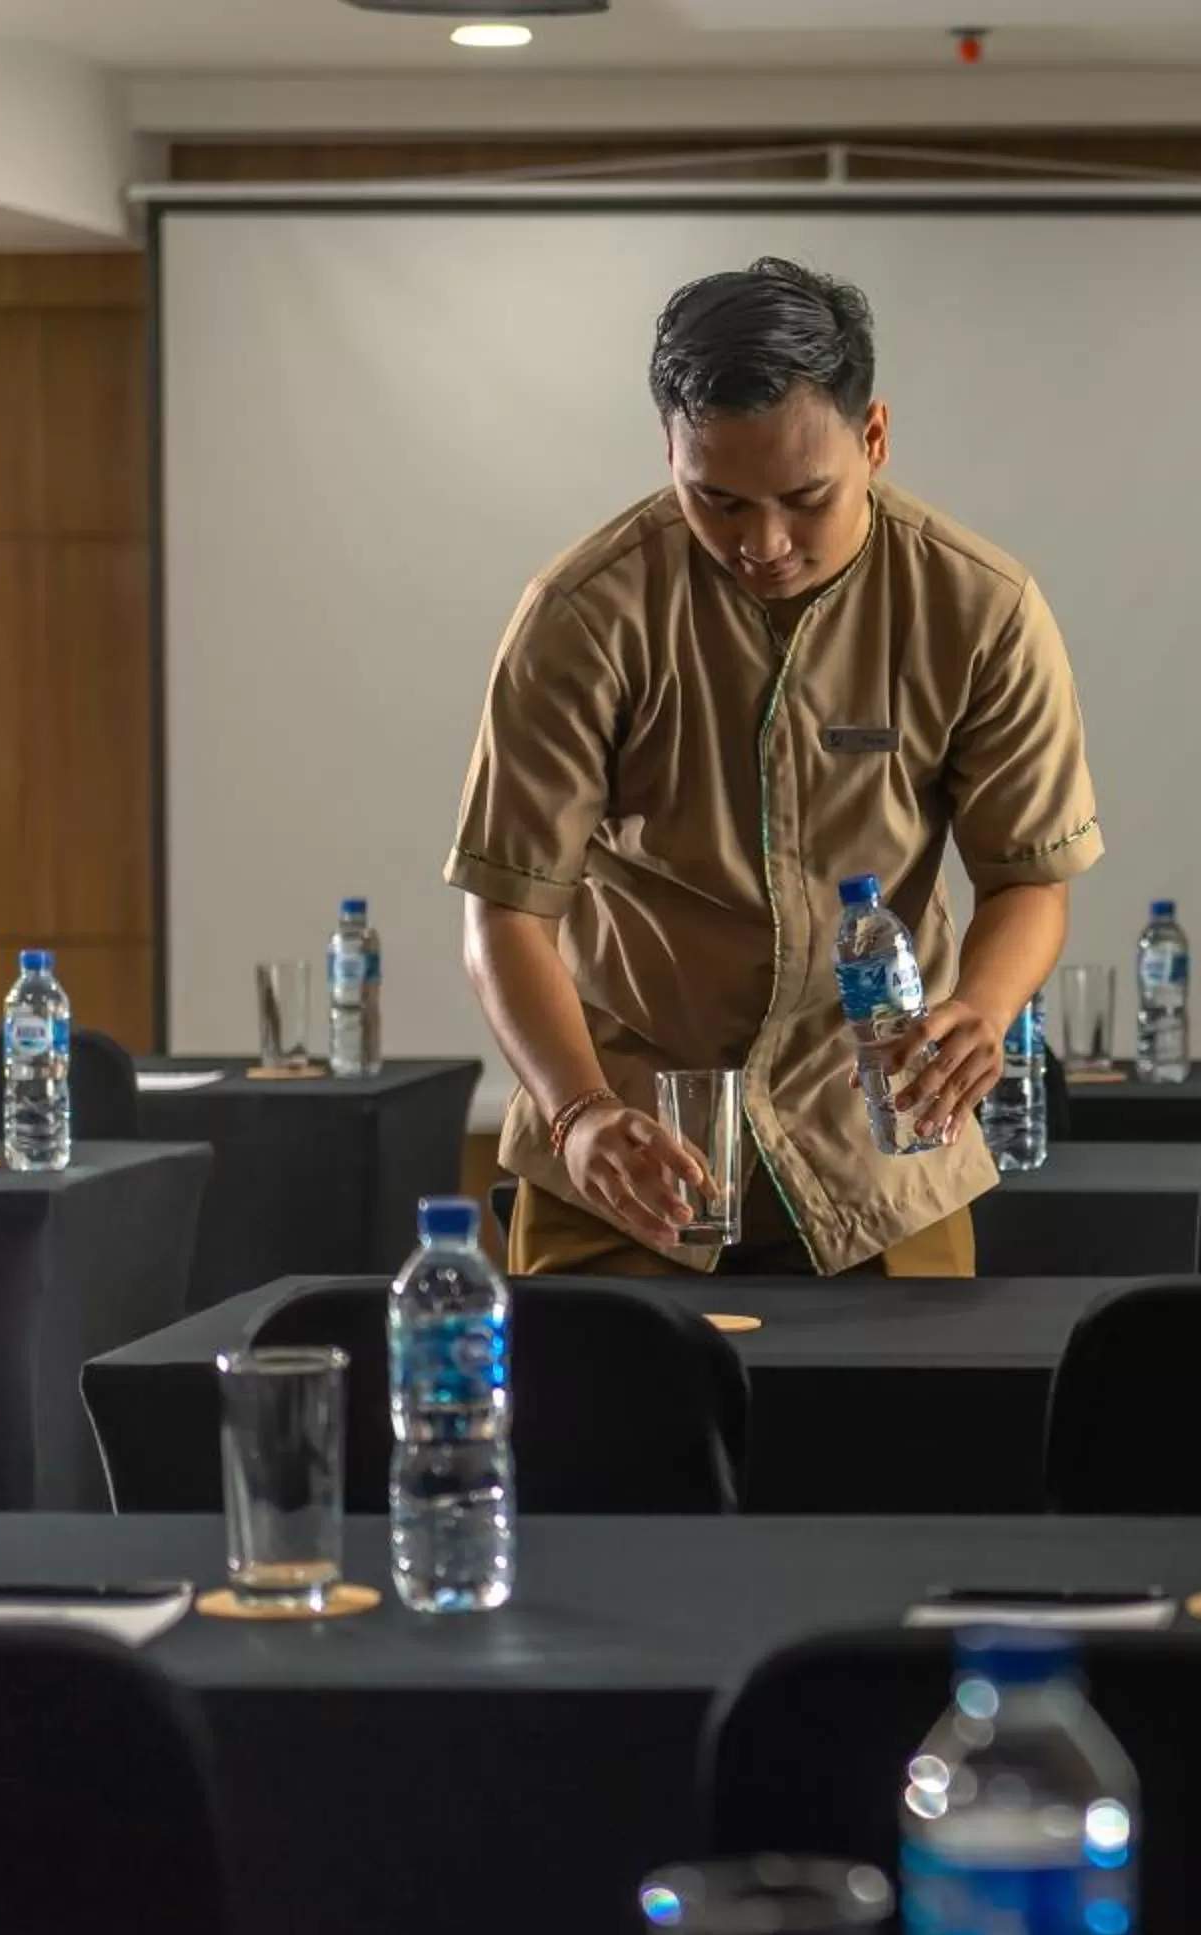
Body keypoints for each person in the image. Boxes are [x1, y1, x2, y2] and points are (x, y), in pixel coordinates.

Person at [447, 257, 1100, 1276]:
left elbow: (1029, 877)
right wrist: (576, 1112)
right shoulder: (582, 617)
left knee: (914, 1438)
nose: (763, 542)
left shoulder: (982, 610)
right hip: (631, 1146)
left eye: (804, 497)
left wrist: (981, 1006)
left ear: (873, 438)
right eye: (717, 501)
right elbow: (508, 913)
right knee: (598, 1431)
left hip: (881, 1153)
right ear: (668, 449)